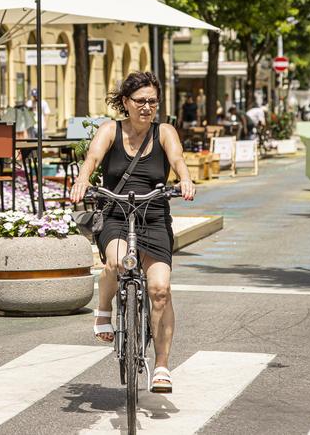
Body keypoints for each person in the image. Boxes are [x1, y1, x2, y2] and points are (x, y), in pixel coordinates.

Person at [69, 71, 196, 394]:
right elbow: (93, 157)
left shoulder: (164, 132)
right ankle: (103, 311)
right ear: (125, 102)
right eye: (140, 101)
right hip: (116, 213)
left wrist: (184, 178)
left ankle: (163, 365)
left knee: (160, 290)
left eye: (153, 101)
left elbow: (178, 159)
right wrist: (83, 179)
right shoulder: (110, 129)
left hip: (153, 215)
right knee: (116, 263)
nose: (147, 107)